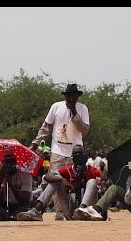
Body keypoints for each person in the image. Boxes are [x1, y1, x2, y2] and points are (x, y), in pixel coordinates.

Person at [30, 84, 90, 220]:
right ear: (65, 96)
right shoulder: (56, 107)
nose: (71, 99)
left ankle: (72, 211)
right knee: (57, 181)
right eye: (68, 96)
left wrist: (75, 113)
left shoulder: (82, 108)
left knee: (73, 182)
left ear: (77, 97)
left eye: (74, 96)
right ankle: (60, 213)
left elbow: (84, 130)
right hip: (58, 150)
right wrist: (36, 143)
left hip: (75, 153)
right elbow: (46, 127)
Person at [17, 145, 100, 221]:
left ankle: (82, 209)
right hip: (71, 208)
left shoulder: (94, 171)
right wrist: (62, 180)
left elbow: (98, 194)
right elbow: (45, 177)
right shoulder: (67, 170)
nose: (78, 155)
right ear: (72, 157)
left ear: (85, 156)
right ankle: (37, 210)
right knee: (56, 180)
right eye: (75, 154)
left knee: (92, 181)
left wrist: (84, 175)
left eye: (80, 153)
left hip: (89, 210)